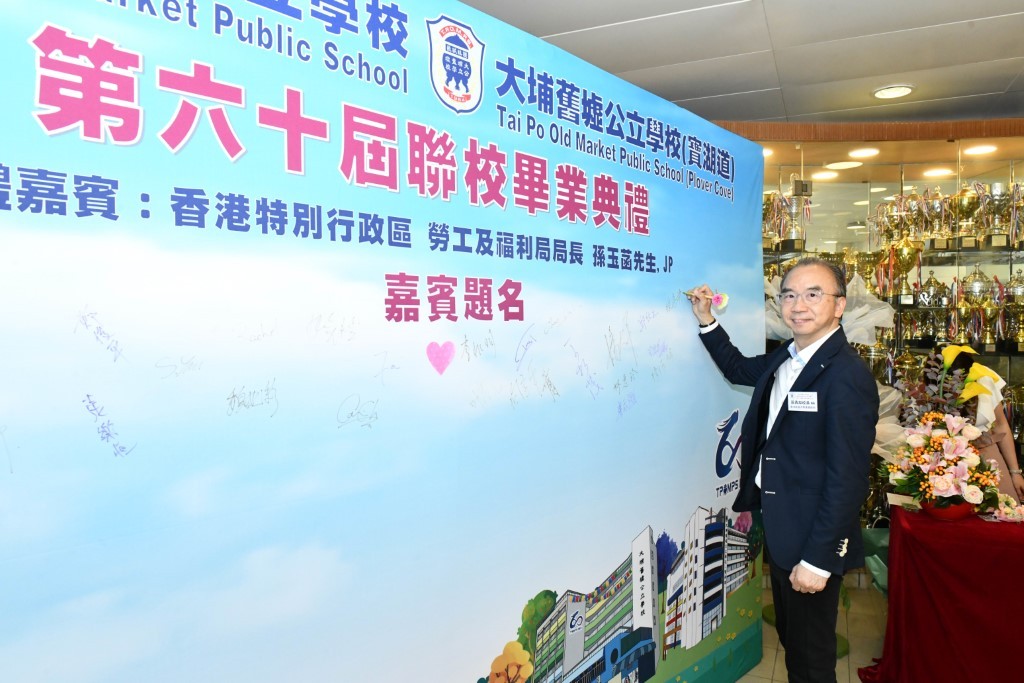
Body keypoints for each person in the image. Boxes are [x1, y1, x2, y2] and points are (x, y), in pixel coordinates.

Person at [688, 258, 879, 683]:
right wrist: (706, 320)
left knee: (811, 662)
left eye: (813, 294)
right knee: (796, 647)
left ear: (839, 305)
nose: (798, 305)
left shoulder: (846, 375)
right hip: (782, 526)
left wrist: (818, 559)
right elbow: (738, 369)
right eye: (789, 295)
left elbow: (848, 479)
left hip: (812, 538)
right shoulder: (788, 357)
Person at [946, 348, 1024, 503]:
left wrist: (1015, 473)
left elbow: (1001, 425)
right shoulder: (932, 386)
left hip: (986, 457)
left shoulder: (983, 377)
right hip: (944, 462)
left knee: (1001, 510)